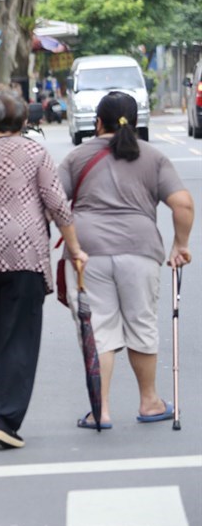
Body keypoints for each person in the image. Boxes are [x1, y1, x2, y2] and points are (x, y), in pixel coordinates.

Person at [0, 89, 88, 449]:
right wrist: (74, 249)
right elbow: (58, 204)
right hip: (22, 255)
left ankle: (0, 407)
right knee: (19, 337)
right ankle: (4, 417)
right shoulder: (34, 152)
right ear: (24, 121)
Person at [59, 91, 194, 430]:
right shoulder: (153, 156)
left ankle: (99, 410)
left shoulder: (76, 157)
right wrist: (180, 245)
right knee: (142, 325)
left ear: (97, 122)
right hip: (140, 250)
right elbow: (183, 204)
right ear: (135, 123)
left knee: (99, 332)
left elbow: (55, 203)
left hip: (87, 253)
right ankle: (149, 402)